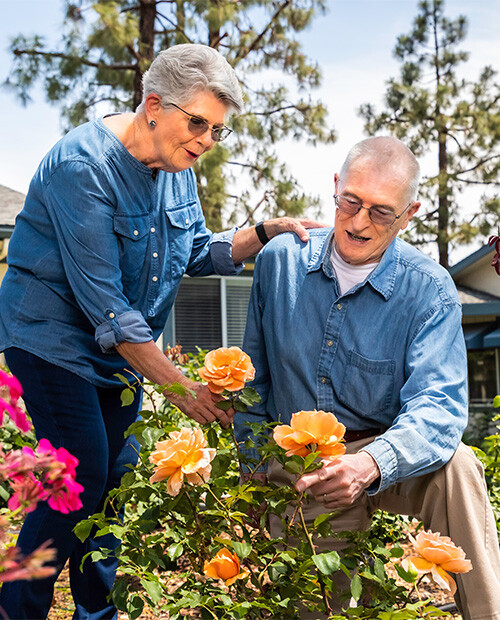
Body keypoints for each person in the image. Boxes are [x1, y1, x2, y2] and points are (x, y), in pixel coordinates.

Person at [0, 44, 322, 620]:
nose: (204, 139)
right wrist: (184, 390)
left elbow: (198, 251)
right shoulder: (85, 167)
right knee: (79, 476)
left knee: (116, 484)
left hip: (117, 354)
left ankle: (96, 614)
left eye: (216, 130)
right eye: (197, 122)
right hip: (48, 338)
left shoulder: (177, 170)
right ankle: (15, 607)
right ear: (154, 104)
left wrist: (264, 231)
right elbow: (109, 310)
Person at [236, 136, 500, 620]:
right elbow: (255, 380)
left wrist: (371, 465)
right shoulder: (279, 262)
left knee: (458, 468)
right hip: (301, 465)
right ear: (336, 186)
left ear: (410, 213)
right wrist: (252, 469)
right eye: (350, 202)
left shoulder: (430, 289)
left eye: (381, 212)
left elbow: (438, 407)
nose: (358, 223)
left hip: (386, 453)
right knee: (317, 605)